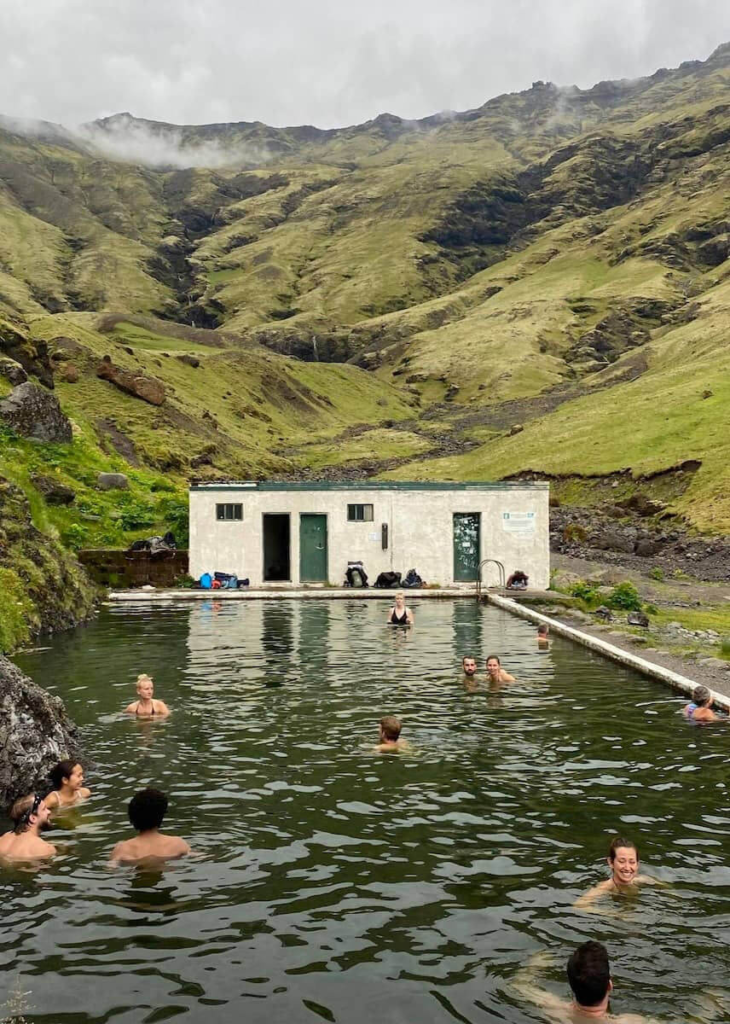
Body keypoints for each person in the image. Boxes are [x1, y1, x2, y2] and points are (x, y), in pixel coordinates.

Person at [513, 941, 656, 1023]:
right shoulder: (630, 1022)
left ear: (571, 985)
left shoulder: (552, 1008)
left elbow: (519, 985)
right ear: (609, 986)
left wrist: (538, 962)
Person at [109, 788, 190, 865]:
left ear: (132, 816)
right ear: (161, 815)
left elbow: (110, 869)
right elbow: (197, 857)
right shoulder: (177, 843)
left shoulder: (123, 848)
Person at [575, 837, 659, 908]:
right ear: (611, 862)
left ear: (637, 864)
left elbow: (666, 888)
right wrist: (613, 915)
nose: (627, 867)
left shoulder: (641, 880)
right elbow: (579, 905)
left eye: (632, 862)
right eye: (621, 861)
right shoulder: (606, 887)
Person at [0, 793, 57, 861]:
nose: (49, 812)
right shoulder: (45, 849)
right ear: (33, 818)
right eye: (44, 809)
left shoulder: (2, 839)